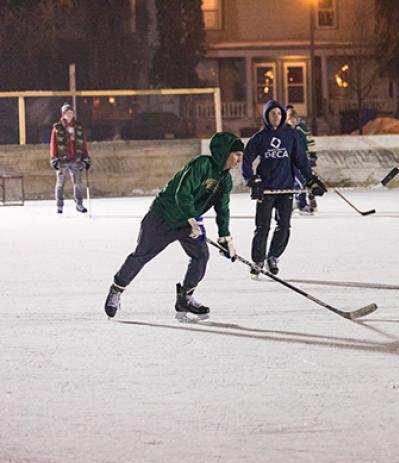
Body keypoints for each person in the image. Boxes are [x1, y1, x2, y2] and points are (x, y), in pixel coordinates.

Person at [104, 132, 244, 320]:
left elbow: (223, 209)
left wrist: (225, 237)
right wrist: (193, 219)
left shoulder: (225, 180)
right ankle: (117, 289)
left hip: (187, 223)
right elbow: (182, 193)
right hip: (163, 217)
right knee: (141, 255)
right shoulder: (202, 165)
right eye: (236, 154)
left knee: (201, 256)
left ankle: (185, 297)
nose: (239, 160)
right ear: (224, 153)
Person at [242, 100, 326, 277]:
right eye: (273, 114)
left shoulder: (292, 135)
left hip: (286, 189)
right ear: (266, 116)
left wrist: (311, 180)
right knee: (262, 227)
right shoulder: (259, 137)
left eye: (279, 114)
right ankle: (258, 260)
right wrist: (252, 181)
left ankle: (273, 257)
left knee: (284, 226)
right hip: (266, 190)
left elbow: (300, 160)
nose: (276, 117)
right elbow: (247, 160)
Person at [50, 103, 92, 214]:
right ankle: (59, 205)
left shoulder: (78, 127)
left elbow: (83, 143)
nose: (69, 115)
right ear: (63, 115)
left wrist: (86, 157)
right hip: (62, 159)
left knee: (78, 182)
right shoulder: (57, 128)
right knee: (60, 183)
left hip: (76, 158)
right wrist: (54, 158)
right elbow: (53, 144)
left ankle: (79, 203)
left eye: (71, 113)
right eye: (67, 113)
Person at [286, 104, 319, 214]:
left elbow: (310, 142)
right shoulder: (285, 130)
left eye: (294, 120)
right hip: (292, 162)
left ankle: (309, 198)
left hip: (304, 160)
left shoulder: (302, 129)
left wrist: (312, 156)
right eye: (290, 121)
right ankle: (300, 202)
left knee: (307, 179)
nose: (292, 123)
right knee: (298, 182)